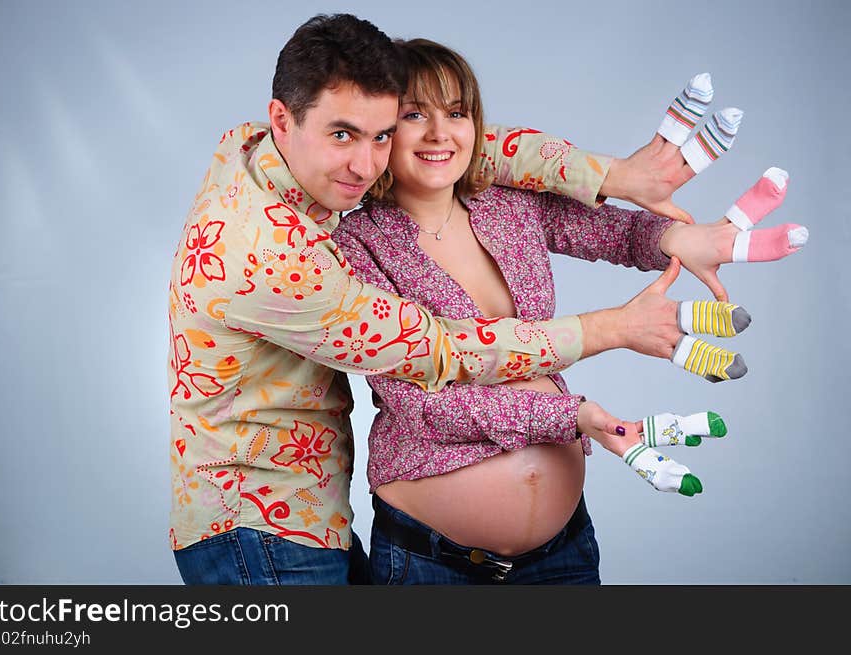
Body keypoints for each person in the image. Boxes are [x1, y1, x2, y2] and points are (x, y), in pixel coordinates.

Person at [169, 14, 726, 586]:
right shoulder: (292, 252)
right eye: (346, 134)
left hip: (325, 511)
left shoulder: (270, 155)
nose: (364, 163)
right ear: (282, 121)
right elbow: (434, 358)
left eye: (378, 134)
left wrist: (660, 219)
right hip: (258, 519)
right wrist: (607, 349)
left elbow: (487, 152)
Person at [331, 38, 804, 584]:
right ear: (383, 129)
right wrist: (572, 417)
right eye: (415, 115)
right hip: (432, 563)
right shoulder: (354, 246)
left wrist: (679, 238)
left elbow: (615, 233)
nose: (440, 133)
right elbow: (426, 408)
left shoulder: (508, 203)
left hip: (564, 553)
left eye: (457, 113)